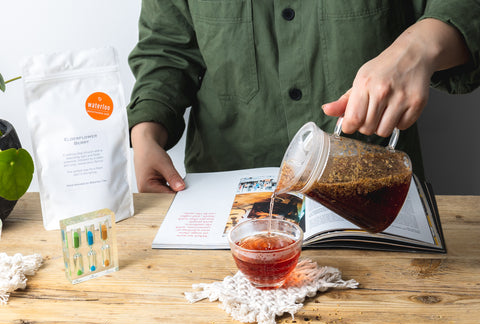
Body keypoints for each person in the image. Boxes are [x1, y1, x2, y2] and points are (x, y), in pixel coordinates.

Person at [127, 1, 480, 193]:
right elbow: (167, 50)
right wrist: (146, 134)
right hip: (229, 197)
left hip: (373, 193)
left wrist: (417, 48)